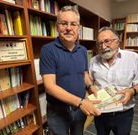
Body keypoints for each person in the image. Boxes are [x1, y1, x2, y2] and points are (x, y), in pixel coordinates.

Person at [39, 5, 101, 135]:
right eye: (64, 23)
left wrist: (90, 87)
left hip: (79, 111)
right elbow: (50, 86)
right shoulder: (48, 50)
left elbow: (83, 73)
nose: (68, 28)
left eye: (73, 24)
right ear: (57, 26)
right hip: (58, 112)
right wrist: (81, 102)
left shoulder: (83, 50)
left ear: (78, 28)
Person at [89, 27, 138, 135]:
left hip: (124, 114)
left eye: (107, 41)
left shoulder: (133, 58)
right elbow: (89, 81)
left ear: (117, 41)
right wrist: (89, 88)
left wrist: (131, 92)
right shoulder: (93, 61)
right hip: (101, 113)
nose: (103, 46)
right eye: (99, 43)